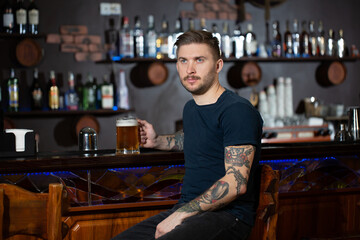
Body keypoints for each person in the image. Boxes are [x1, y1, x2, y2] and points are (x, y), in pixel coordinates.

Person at [112, 30, 263, 240]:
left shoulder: (237, 110)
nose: (190, 69)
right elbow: (197, 139)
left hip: (229, 216)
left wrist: (180, 215)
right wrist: (157, 141)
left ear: (218, 65)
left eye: (199, 60)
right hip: (189, 210)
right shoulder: (191, 108)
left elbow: (236, 183)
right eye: (183, 60)